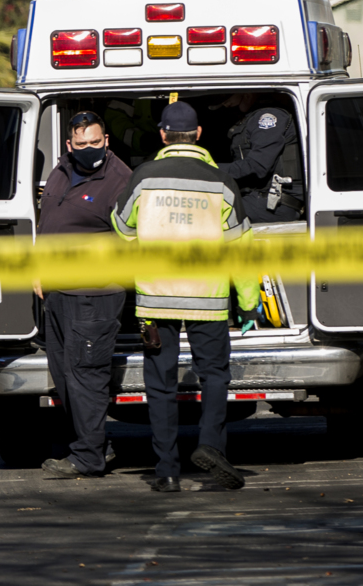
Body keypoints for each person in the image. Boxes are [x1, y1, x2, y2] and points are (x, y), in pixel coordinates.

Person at [112, 101, 262, 493]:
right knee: (214, 376)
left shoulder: (144, 177)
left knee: (160, 384)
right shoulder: (221, 182)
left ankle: (166, 471)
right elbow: (242, 249)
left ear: (162, 135)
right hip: (208, 302)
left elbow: (122, 226)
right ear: (199, 135)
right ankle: (211, 446)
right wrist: (248, 302)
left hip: (155, 300)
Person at [34, 111, 132, 479]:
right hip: (58, 291)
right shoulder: (60, 171)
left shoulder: (120, 180)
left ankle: (88, 457)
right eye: (82, 144)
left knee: (86, 375)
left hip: (94, 293)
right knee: (64, 373)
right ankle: (93, 445)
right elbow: (49, 226)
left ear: (106, 141)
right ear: (68, 145)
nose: (89, 150)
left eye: (96, 142)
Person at [218, 92, 304, 224]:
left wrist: (209, 169)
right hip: (259, 200)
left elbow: (258, 166)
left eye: (226, 97)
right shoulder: (251, 118)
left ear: (247, 95)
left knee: (206, 215)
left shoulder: (268, 116)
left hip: (271, 204)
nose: (225, 104)